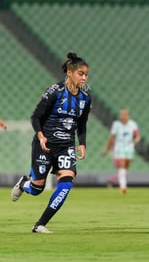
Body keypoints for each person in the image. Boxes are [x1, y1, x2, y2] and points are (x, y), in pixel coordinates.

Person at [11, 52, 92, 234]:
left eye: (86, 74)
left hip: (66, 147)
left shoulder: (85, 98)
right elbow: (36, 117)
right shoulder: (55, 91)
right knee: (37, 188)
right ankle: (25, 183)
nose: (84, 77)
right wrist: (40, 136)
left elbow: (82, 123)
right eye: (81, 73)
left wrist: (82, 143)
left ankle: (40, 224)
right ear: (70, 73)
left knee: (66, 183)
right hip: (45, 144)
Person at [103, 109, 141, 194]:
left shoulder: (132, 124)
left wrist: (135, 140)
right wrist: (107, 148)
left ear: (128, 115)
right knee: (122, 165)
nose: (123, 116)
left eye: (125, 114)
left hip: (129, 148)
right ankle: (123, 187)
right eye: (122, 114)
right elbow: (111, 137)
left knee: (126, 167)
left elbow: (137, 135)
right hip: (119, 148)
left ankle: (123, 184)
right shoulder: (116, 124)